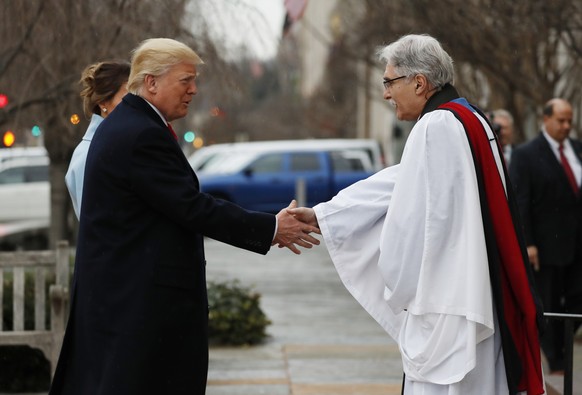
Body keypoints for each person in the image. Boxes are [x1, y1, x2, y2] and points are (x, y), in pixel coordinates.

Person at [48, 38, 320, 395]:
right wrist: (271, 227)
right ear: (151, 83)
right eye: (185, 81)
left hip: (127, 303)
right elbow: (191, 206)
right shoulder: (140, 133)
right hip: (138, 310)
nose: (194, 90)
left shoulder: (132, 124)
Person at [288, 34, 545, 394]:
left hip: (449, 301)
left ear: (420, 83)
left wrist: (398, 282)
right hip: (478, 285)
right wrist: (325, 214)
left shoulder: (435, 126)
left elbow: (411, 227)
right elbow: (402, 181)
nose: (386, 94)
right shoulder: (469, 117)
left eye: (389, 82)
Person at [509, 98, 582, 375]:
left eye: (569, 121)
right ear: (546, 119)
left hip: (577, 243)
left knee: (577, 297)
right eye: (561, 120)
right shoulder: (527, 154)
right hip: (545, 244)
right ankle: (555, 358)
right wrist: (527, 243)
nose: (566, 126)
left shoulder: (577, 150)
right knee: (548, 303)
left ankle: (562, 343)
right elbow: (521, 201)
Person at [65, 60, 131, 218]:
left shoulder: (122, 142)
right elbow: (94, 220)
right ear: (103, 103)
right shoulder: (88, 153)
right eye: (127, 98)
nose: (134, 105)